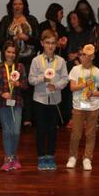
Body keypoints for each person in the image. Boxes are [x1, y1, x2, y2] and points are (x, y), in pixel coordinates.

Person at [29, 30, 69, 169]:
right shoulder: (36, 60)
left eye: (53, 43)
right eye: (47, 43)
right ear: (42, 43)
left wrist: (56, 86)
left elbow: (65, 79)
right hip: (40, 100)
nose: (50, 46)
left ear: (57, 44)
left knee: (52, 129)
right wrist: (43, 79)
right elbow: (31, 79)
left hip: (55, 100)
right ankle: (41, 157)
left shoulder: (61, 61)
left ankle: (51, 156)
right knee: (41, 129)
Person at [66, 44, 99, 171]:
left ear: (92, 57)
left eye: (85, 55)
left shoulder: (98, 72)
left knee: (90, 134)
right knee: (76, 134)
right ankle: (72, 157)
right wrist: (84, 85)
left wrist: (93, 93)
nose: (82, 57)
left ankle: (87, 158)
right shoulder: (75, 70)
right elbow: (72, 87)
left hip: (93, 107)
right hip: (78, 106)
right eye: (81, 54)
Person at [0, 40, 28, 172]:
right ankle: (8, 158)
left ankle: (14, 156)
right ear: (4, 52)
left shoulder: (20, 67)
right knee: (7, 131)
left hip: (17, 102)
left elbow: (26, 85)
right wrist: (2, 93)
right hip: (2, 104)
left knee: (16, 131)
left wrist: (19, 84)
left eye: (13, 52)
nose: (11, 54)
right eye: (8, 52)